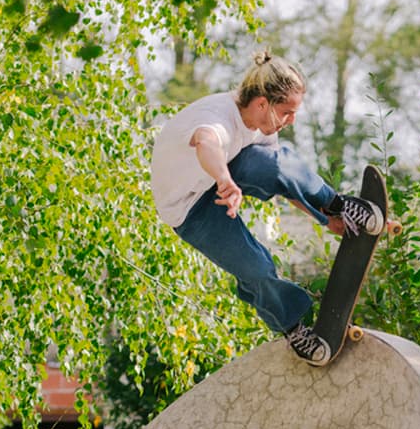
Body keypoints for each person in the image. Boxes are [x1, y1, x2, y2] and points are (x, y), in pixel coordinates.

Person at [150, 50, 383, 367]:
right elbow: (206, 143)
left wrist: (325, 218)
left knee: (275, 160)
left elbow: (280, 177)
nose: (291, 121)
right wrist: (224, 180)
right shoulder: (219, 116)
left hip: (225, 174)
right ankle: (293, 329)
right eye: (286, 112)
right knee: (256, 268)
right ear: (262, 103)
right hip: (188, 208)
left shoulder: (261, 128)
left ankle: (340, 204)